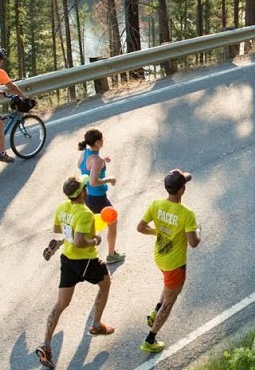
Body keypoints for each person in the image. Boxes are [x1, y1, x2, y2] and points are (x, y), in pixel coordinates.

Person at [35, 176, 115, 370]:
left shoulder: (63, 206)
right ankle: (96, 325)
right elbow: (80, 242)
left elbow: (57, 228)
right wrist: (94, 240)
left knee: (61, 303)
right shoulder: (85, 213)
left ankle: (46, 345)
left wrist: (67, 236)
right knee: (105, 283)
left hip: (67, 259)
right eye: (85, 187)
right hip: (86, 260)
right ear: (82, 193)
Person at [136, 170, 200, 354]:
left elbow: (141, 227)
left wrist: (157, 232)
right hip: (175, 264)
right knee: (170, 302)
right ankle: (150, 339)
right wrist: (198, 231)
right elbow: (193, 243)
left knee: (167, 286)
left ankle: (155, 311)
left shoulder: (156, 204)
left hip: (160, 257)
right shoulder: (186, 214)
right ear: (182, 190)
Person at [76, 129, 124, 265]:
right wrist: (109, 179)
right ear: (97, 142)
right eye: (101, 139)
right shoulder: (96, 160)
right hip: (98, 197)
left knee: (88, 225)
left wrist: (103, 161)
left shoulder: (85, 153)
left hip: (86, 195)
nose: (103, 141)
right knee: (112, 222)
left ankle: (81, 254)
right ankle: (111, 255)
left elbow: (81, 166)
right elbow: (93, 182)